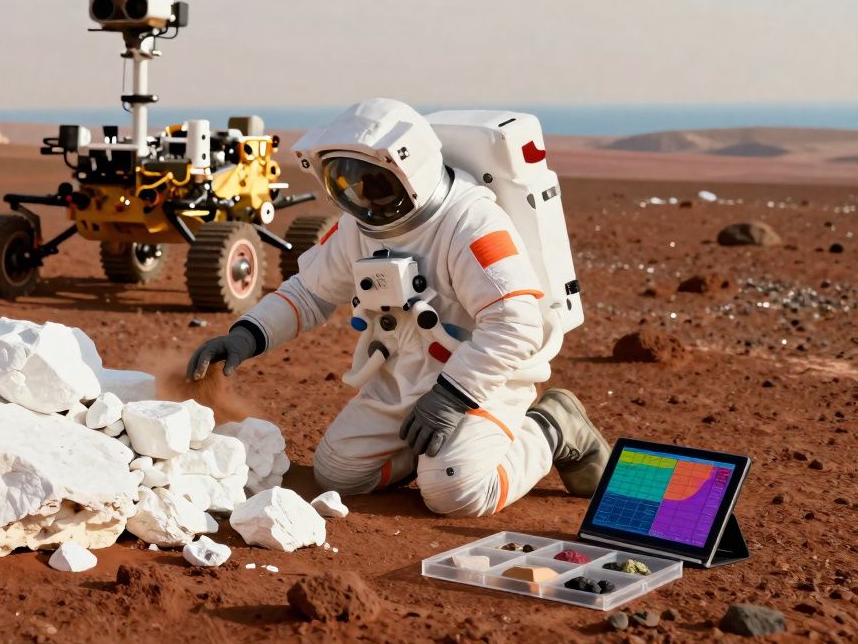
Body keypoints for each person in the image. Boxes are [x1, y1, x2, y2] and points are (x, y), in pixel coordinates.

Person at [186, 99, 609, 517]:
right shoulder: (358, 227)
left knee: (455, 491)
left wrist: (449, 398)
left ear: (411, 173)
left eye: (375, 184)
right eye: (346, 184)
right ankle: (428, 450)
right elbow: (308, 293)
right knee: (338, 474)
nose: (362, 197)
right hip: (404, 375)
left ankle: (552, 426)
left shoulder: (471, 222)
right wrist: (246, 335)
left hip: (483, 380)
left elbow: (516, 325)